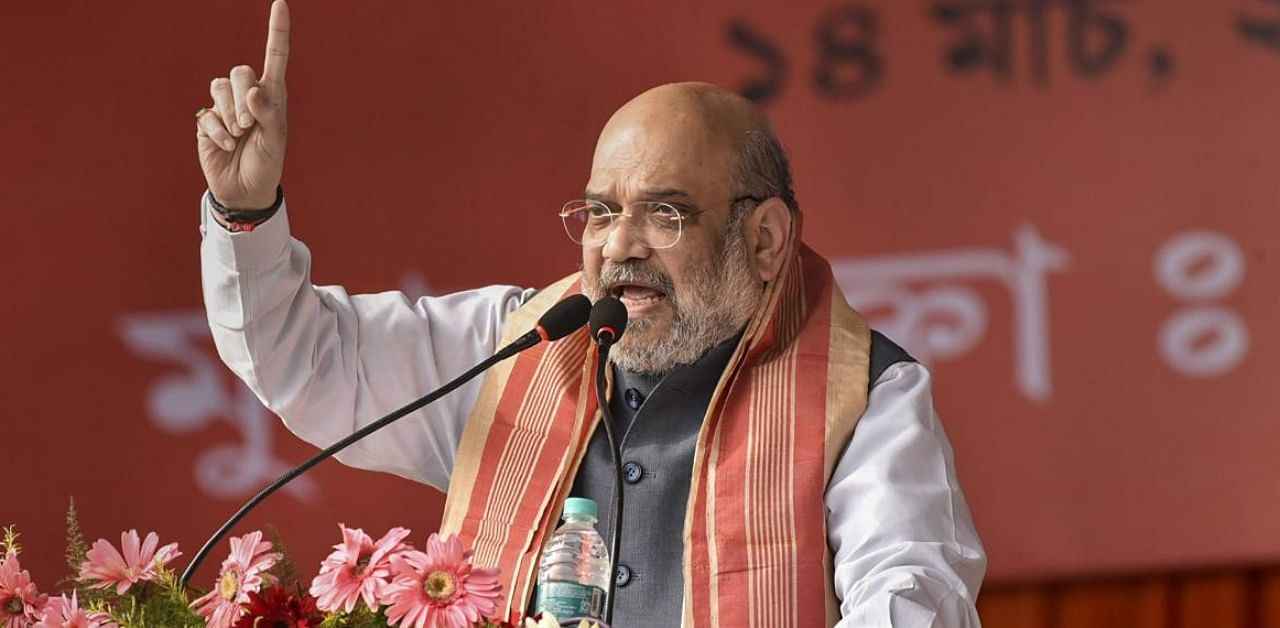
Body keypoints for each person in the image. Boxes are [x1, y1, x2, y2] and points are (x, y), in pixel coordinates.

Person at [194, 1, 986, 625]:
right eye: (602, 213)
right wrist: (244, 209)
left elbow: (914, 599)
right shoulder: (518, 347)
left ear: (766, 238)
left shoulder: (865, 396)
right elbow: (303, 360)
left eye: (665, 214)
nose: (619, 247)